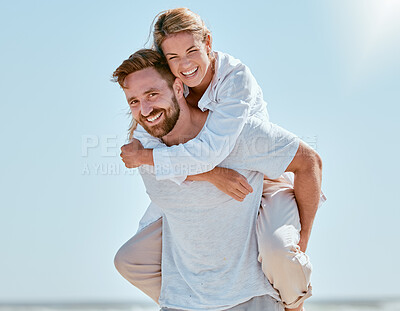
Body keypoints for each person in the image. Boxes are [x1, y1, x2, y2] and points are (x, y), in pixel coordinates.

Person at [113, 49, 323, 310]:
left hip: (253, 290)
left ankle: (292, 304)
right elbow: (166, 161)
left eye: (152, 94)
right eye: (133, 101)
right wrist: (213, 174)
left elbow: (309, 161)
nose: (145, 109)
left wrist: (303, 239)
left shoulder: (236, 132)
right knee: (127, 259)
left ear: (179, 88)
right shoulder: (143, 150)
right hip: (183, 303)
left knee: (278, 251)